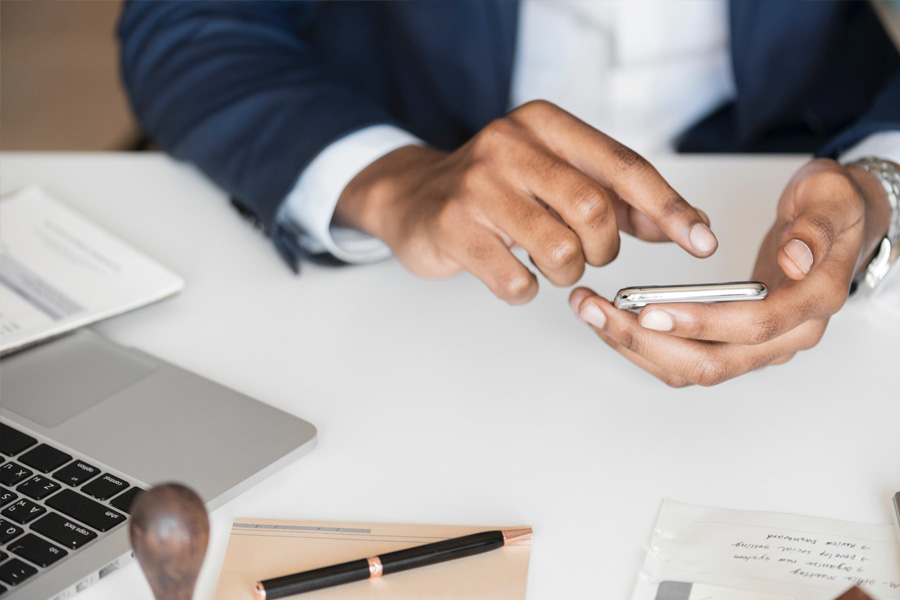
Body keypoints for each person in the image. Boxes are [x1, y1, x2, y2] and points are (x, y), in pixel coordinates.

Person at [118, 0, 900, 386]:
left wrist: (882, 178)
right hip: (411, 249)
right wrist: (392, 181)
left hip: (791, 157)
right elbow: (188, 22)